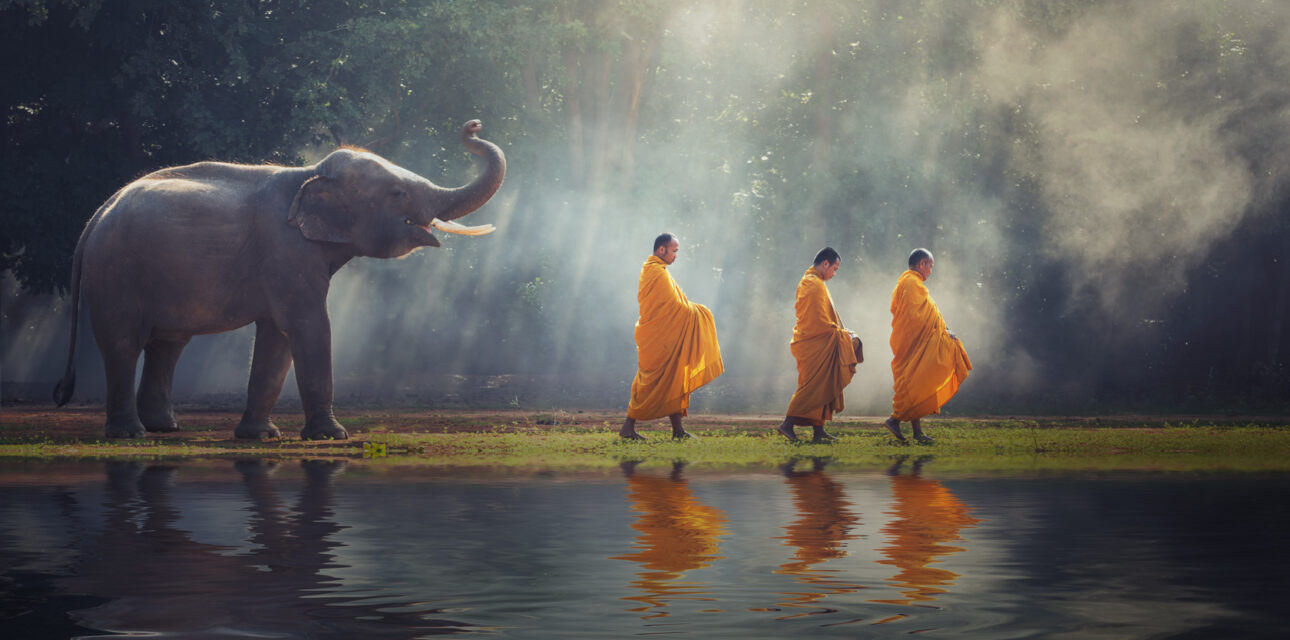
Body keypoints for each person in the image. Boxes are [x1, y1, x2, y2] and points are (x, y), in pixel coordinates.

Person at [620, 233, 724, 439]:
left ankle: (678, 431)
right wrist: (699, 312)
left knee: (675, 378)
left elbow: (673, 305)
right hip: (657, 336)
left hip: (665, 335)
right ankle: (627, 428)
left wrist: (693, 310)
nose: (676, 256)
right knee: (648, 380)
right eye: (674, 251)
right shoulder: (655, 272)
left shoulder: (658, 270)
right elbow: (674, 307)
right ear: (661, 250)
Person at [884, 248, 972, 444]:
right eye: (930, 266)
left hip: (915, 342)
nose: (930, 271)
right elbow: (915, 317)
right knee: (916, 382)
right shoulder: (910, 283)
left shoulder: (909, 282)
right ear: (922, 264)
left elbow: (929, 314)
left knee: (918, 384)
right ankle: (894, 420)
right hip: (914, 343)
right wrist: (942, 332)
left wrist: (942, 328)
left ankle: (917, 432)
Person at [776, 247, 859, 443]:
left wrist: (840, 332)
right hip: (813, 342)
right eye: (834, 268)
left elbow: (823, 317)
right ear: (825, 264)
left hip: (819, 341)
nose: (834, 273)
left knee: (823, 385)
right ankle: (786, 425)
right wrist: (841, 333)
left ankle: (818, 430)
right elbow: (817, 320)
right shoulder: (812, 284)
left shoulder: (815, 282)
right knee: (811, 386)